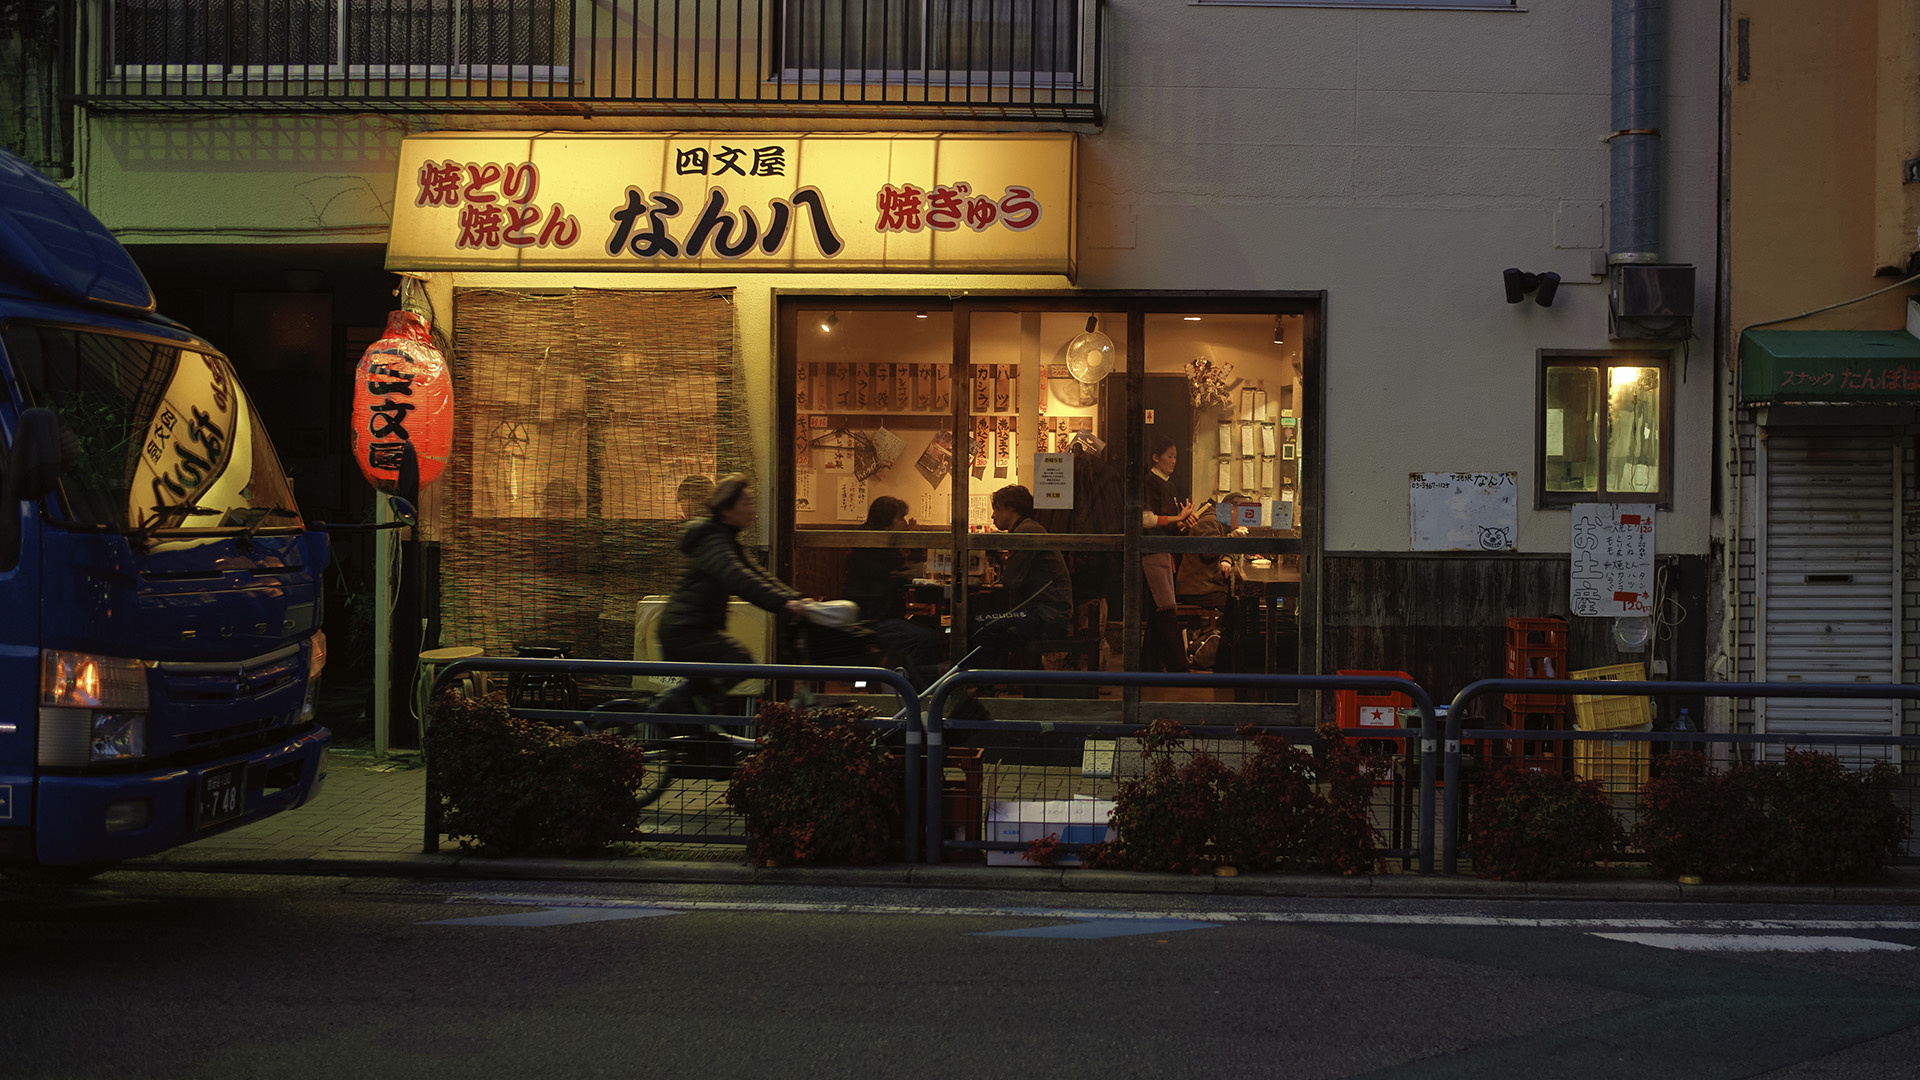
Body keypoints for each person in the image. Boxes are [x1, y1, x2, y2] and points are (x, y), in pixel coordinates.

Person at [657, 473, 810, 714]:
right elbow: (739, 578)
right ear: (727, 509)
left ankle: (693, 727)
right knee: (738, 660)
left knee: (706, 690)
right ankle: (674, 706)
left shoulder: (726, 540)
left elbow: (758, 575)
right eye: (746, 503)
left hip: (693, 628)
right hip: (685, 630)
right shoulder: (714, 542)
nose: (752, 510)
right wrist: (785, 604)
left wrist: (794, 599)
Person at [842, 495, 940, 691]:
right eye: (901, 518)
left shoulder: (879, 542)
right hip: (870, 619)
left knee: (928, 634)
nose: (904, 523)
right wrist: (913, 542)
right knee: (923, 638)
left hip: (879, 615)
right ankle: (924, 693)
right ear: (887, 523)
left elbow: (901, 569)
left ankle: (914, 688)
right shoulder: (870, 545)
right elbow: (897, 570)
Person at [971, 484, 1074, 666]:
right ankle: (995, 680)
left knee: (980, 625)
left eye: (996, 509)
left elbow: (1011, 581)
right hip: (1048, 613)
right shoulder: (1029, 528)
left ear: (1011, 509)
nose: (993, 516)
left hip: (1048, 617)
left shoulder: (1026, 532)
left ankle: (982, 686)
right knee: (984, 622)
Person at [1141, 432, 1196, 672]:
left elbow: (1170, 521)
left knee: (1159, 611)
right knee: (1165, 608)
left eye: (1175, 457)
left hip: (1165, 551)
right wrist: (1177, 517)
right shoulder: (1148, 483)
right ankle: (1178, 665)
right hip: (1152, 552)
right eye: (1169, 456)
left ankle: (1148, 665)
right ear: (1155, 457)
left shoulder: (1169, 484)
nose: (1174, 461)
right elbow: (1145, 519)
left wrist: (1182, 522)